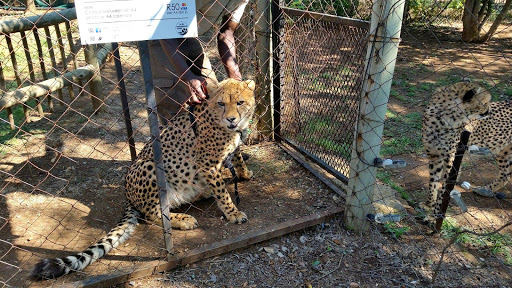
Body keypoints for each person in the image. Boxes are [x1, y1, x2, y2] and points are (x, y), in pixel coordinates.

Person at [148, 0, 250, 123]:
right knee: (176, 108)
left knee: (212, 97)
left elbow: (227, 32)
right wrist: (187, 76)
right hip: (161, 35)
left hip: (189, 35)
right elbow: (164, 25)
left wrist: (235, 76)